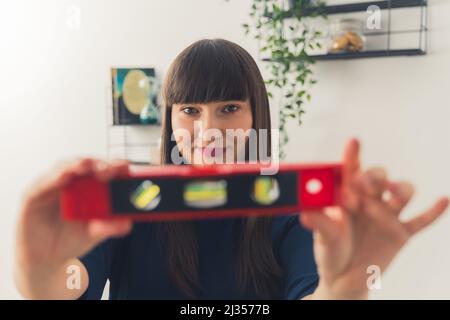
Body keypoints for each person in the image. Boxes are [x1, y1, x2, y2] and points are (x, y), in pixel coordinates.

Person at [15, 39, 449, 300]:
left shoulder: (290, 209)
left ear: (255, 114)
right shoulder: (131, 201)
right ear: (170, 121)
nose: (209, 130)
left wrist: (347, 289)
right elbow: (64, 287)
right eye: (189, 110)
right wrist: (36, 267)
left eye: (229, 108)